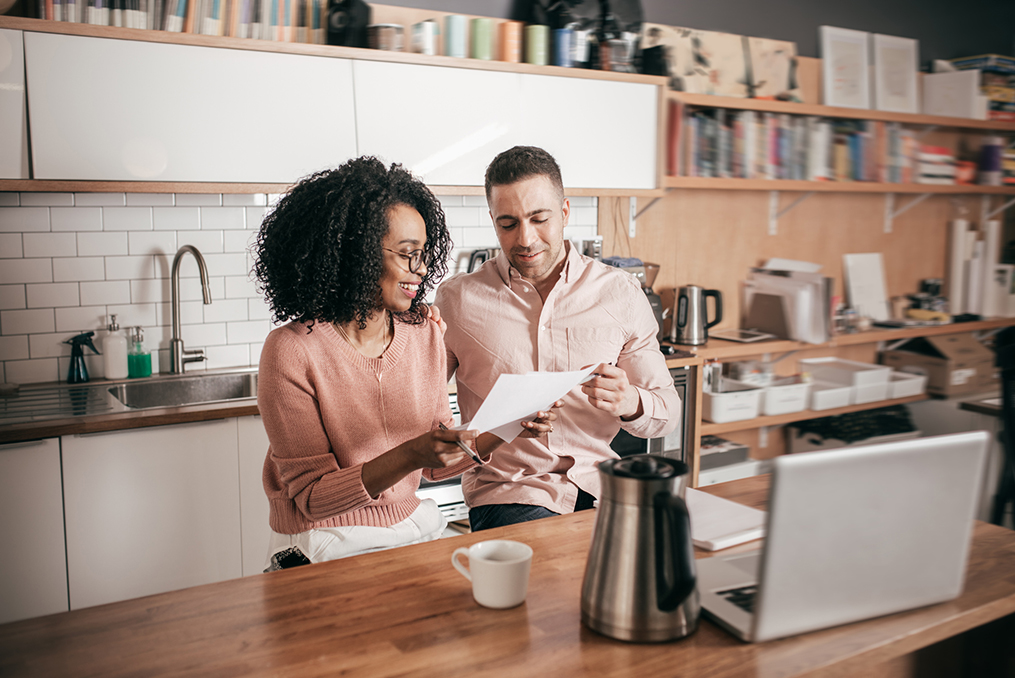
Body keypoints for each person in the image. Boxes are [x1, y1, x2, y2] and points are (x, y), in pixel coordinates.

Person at [252, 156, 557, 569]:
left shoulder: (424, 333)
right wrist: (411, 455)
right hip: (323, 541)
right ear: (353, 252)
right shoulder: (291, 350)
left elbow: (434, 465)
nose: (422, 269)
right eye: (408, 254)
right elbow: (313, 498)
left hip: (410, 526)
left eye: (425, 253)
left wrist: (508, 429)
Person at [434, 146, 680, 531]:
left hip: (602, 485)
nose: (526, 239)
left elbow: (668, 411)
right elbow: (422, 414)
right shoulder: (457, 300)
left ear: (565, 212)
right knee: (550, 583)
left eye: (539, 218)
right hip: (512, 490)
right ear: (493, 221)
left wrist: (630, 401)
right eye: (508, 223)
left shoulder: (620, 293)